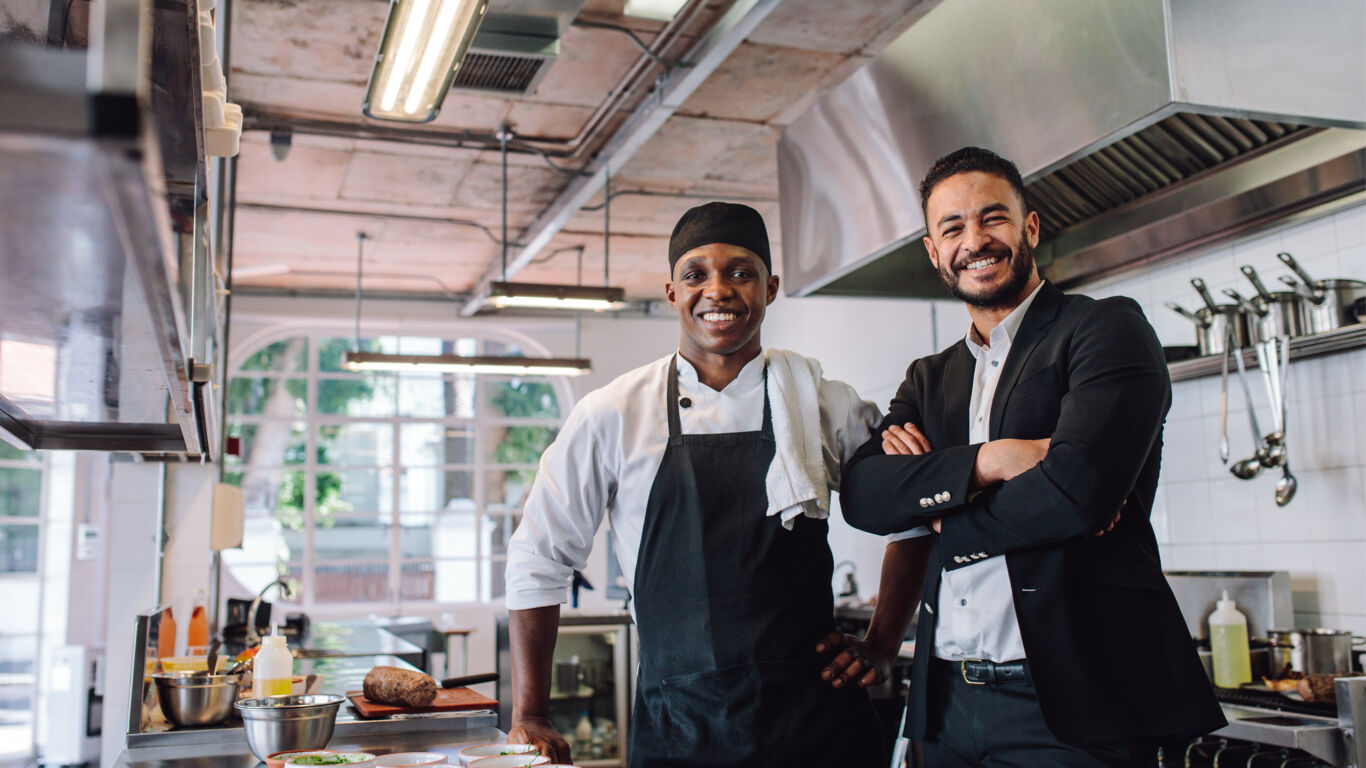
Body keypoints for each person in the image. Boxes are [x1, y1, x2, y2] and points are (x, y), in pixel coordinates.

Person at [837, 147, 1226, 767]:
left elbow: (1077, 492)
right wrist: (987, 463)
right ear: (935, 253)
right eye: (953, 228)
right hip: (942, 705)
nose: (976, 241)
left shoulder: (1103, 329)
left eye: (993, 218)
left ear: (1031, 228)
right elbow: (863, 495)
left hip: (1072, 709)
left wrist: (940, 512)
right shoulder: (929, 379)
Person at [503, 202, 902, 766]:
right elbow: (537, 558)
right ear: (672, 292)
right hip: (680, 728)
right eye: (696, 274)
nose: (718, 290)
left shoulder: (822, 402)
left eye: (741, 272)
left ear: (770, 288)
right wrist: (531, 714)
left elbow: (911, 513)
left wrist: (884, 641)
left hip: (816, 724)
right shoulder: (613, 413)